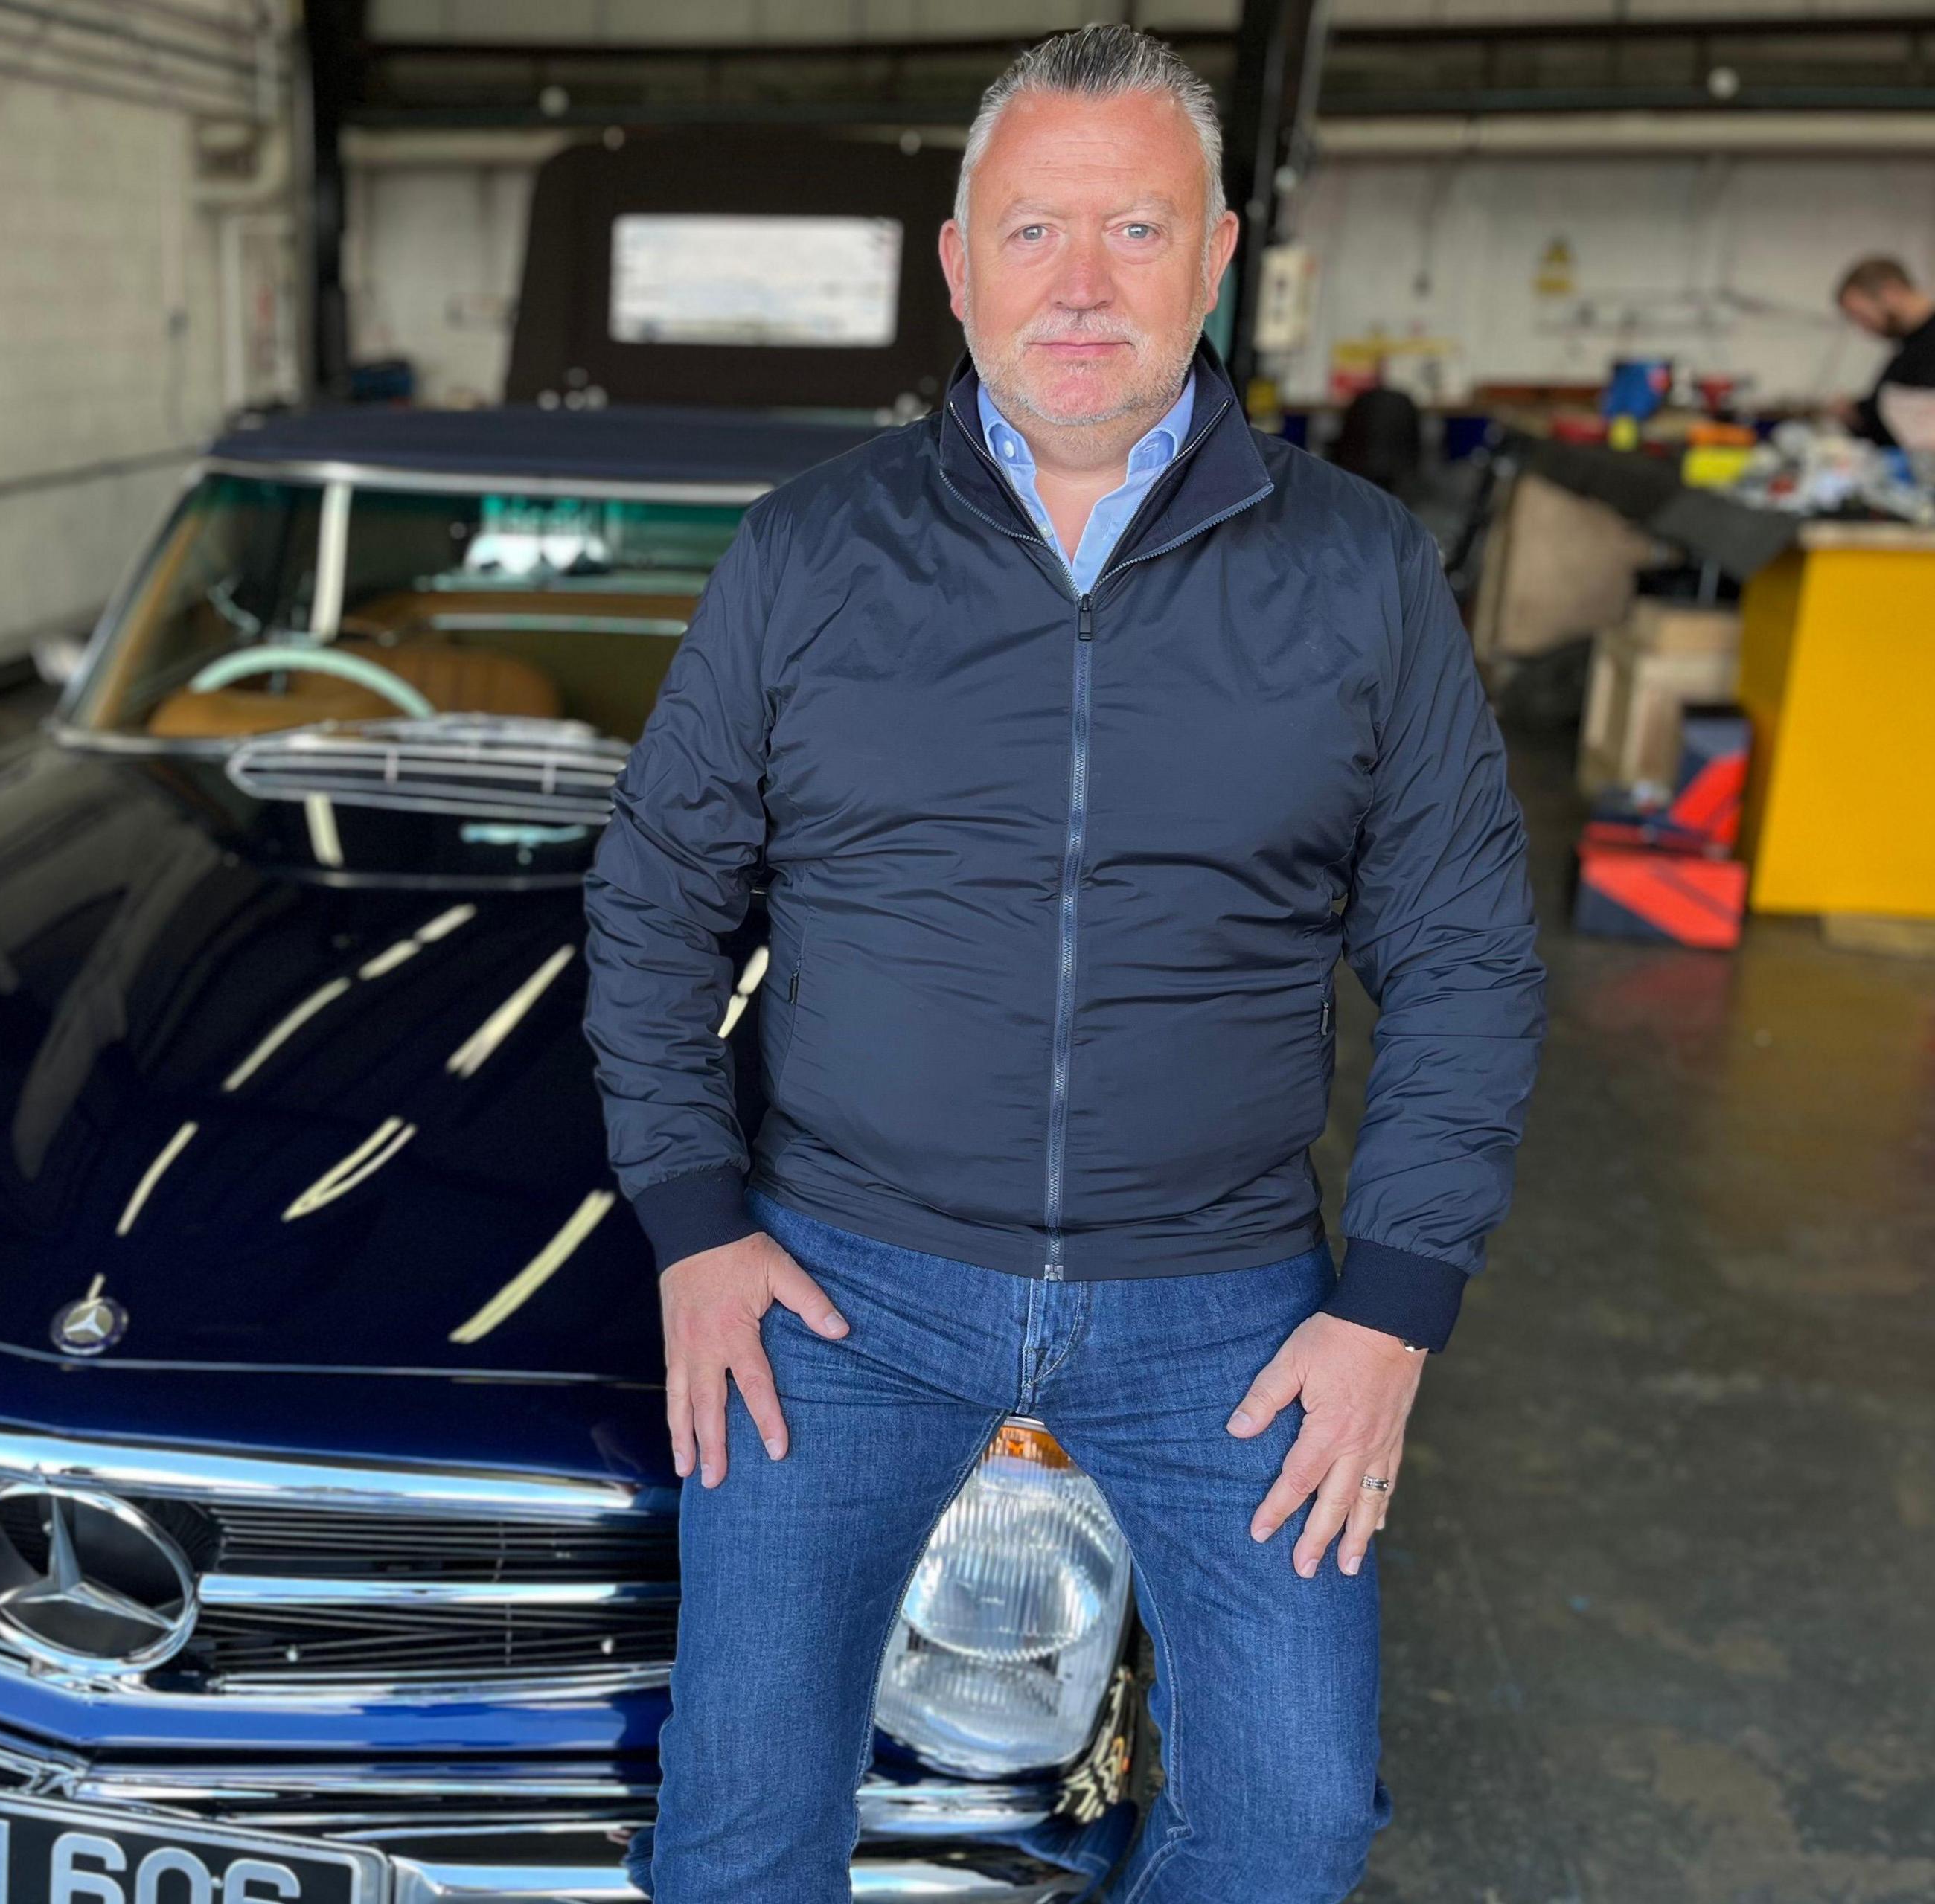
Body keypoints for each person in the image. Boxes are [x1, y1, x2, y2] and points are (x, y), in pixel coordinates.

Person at [581, 23, 1546, 1904]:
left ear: (1216, 253)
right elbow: (655, 897)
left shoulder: (1356, 571)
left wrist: (1393, 1311)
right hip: (839, 1291)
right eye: (1031, 233)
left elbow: (1460, 952)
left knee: (1288, 1826)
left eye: (1132, 229)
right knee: (737, 1824)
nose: (1082, 286)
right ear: (954, 264)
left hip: (1231, 1309)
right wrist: (693, 1221)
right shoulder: (806, 553)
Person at [1835, 256, 1935, 463]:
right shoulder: (1910, 346)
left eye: (1861, 315)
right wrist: (1857, 412)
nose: (1863, 327)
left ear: (1891, 293)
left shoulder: (1927, 343)